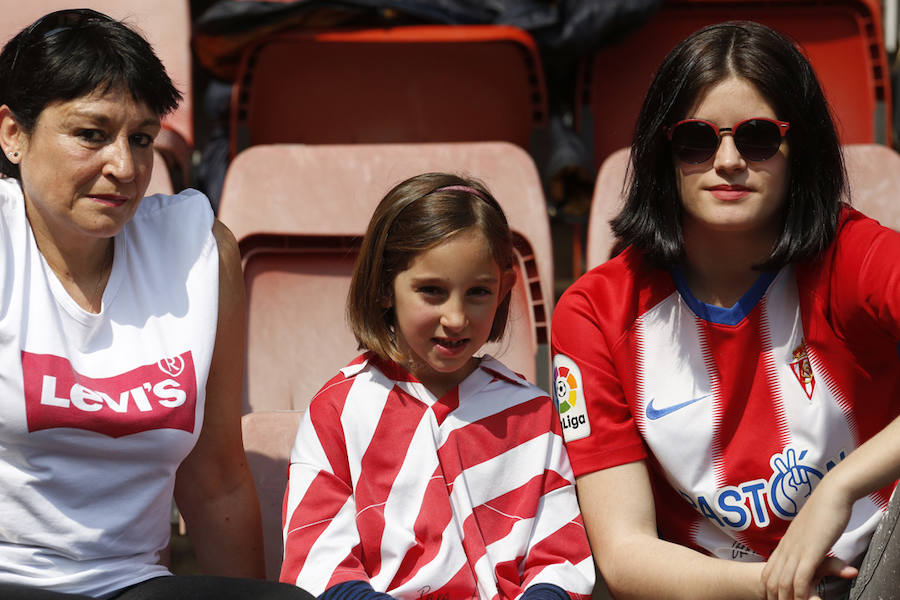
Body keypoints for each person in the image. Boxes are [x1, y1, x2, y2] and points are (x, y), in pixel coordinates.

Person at [551, 20, 900, 600]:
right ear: (664, 154)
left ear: (800, 149)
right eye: (697, 139)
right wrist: (778, 585)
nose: (729, 160)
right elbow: (624, 553)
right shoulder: (594, 312)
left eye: (759, 137)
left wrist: (842, 486)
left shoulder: (856, 256)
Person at [0, 9, 313, 599]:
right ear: (13, 134)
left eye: (141, 139)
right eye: (91, 134)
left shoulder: (198, 254)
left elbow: (216, 476)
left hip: (129, 583)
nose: (124, 167)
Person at [279, 173, 595, 600]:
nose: (457, 318)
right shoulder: (337, 411)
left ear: (504, 289)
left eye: (478, 292)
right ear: (384, 287)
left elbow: (561, 562)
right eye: (432, 291)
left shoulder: (536, 417)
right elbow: (317, 562)